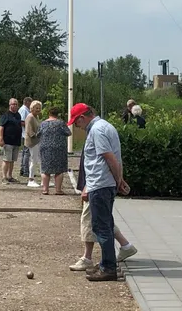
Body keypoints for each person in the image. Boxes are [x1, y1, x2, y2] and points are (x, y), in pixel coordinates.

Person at [70, 109, 138, 272]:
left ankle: (107, 267)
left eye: (76, 122)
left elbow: (109, 157)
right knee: (105, 224)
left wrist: (118, 180)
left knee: (101, 227)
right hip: (103, 183)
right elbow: (116, 157)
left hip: (100, 184)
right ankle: (108, 263)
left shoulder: (97, 130)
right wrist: (118, 179)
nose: (76, 126)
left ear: (82, 117)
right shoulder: (106, 127)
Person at [38, 107, 71, 195]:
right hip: (59, 148)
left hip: (45, 148)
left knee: (45, 169)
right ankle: (58, 190)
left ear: (49, 114)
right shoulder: (61, 123)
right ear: (58, 114)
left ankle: (45, 189)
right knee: (59, 170)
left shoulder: (43, 123)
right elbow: (68, 133)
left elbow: (38, 134)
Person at [0, 98, 22, 184]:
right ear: (9, 105)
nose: (14, 106)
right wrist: (1, 138)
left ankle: (10, 176)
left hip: (16, 141)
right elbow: (1, 127)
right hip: (7, 140)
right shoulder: (6, 115)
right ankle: (4, 177)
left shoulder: (18, 115)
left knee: (12, 160)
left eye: (16, 104)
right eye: (13, 104)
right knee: (6, 159)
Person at [24, 100, 42, 188]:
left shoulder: (36, 117)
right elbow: (29, 131)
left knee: (39, 160)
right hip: (32, 142)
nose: (38, 109)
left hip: (37, 141)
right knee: (33, 160)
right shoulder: (30, 117)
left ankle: (43, 179)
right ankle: (31, 179)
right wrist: (37, 136)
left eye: (39, 108)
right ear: (32, 108)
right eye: (36, 108)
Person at [19, 97, 33, 177]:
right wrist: (30, 126)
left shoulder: (26, 110)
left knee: (25, 152)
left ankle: (23, 169)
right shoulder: (24, 110)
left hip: (25, 133)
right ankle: (25, 171)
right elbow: (22, 121)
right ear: (27, 102)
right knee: (27, 152)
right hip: (25, 133)